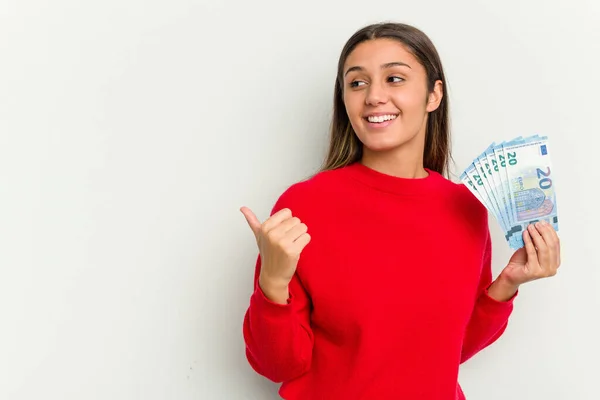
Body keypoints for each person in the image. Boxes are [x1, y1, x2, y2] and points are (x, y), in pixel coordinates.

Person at [239, 22, 561, 400]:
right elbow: (277, 366)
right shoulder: (306, 205)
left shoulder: (466, 208)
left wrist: (506, 286)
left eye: (394, 79)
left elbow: (446, 353)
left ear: (433, 95)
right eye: (357, 83)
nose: (374, 96)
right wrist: (273, 285)